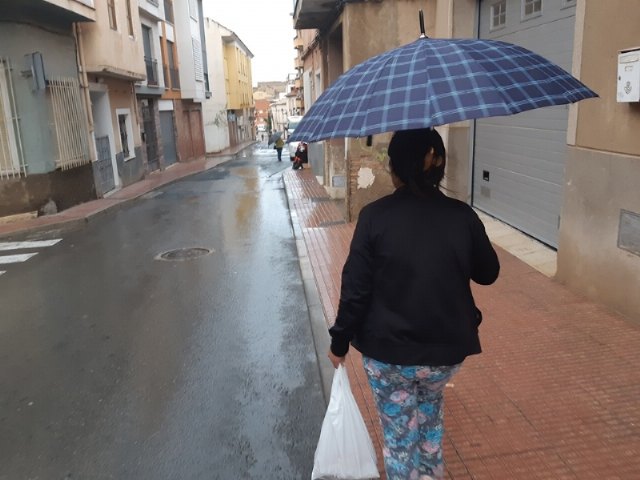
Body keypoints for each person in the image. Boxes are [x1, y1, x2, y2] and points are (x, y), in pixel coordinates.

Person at [327, 128, 500, 480]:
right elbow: (488, 273)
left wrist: (339, 342)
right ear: (436, 163)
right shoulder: (462, 216)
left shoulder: (374, 216)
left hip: (388, 354)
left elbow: (355, 289)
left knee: (400, 442)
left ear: (394, 168)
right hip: (445, 354)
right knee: (429, 420)